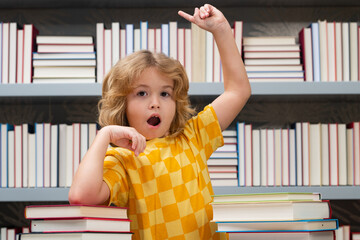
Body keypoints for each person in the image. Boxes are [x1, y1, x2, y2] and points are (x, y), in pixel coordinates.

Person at [69, 4, 251, 240]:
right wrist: (104, 136)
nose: (155, 103)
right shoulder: (122, 160)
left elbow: (238, 91)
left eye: (165, 94)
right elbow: (82, 197)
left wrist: (221, 30)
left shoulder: (193, 136)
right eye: (142, 93)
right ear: (122, 103)